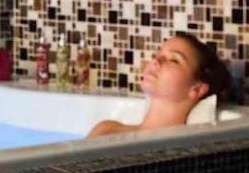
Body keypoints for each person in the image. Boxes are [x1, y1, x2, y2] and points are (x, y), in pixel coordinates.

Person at [87, 33, 231, 137]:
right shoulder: (105, 129)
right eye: (158, 55)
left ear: (197, 89)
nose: (156, 61)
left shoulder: (181, 152)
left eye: (174, 60)